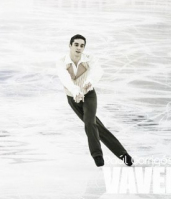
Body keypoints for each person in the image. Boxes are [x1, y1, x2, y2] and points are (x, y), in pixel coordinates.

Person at [57, 34, 133, 167]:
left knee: (90, 122)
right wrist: (75, 92)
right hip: (72, 97)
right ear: (70, 45)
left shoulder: (89, 59)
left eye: (82, 45)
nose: (79, 48)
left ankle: (97, 155)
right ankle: (124, 155)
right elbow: (65, 79)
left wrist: (89, 82)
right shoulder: (61, 61)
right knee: (98, 127)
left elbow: (98, 71)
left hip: (89, 95)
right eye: (76, 45)